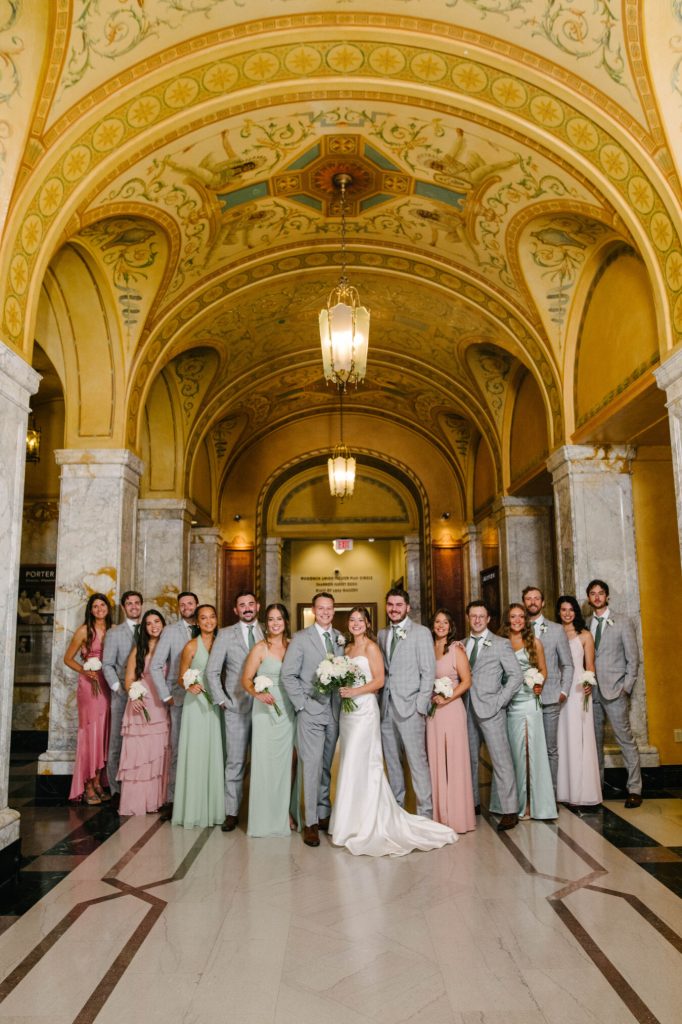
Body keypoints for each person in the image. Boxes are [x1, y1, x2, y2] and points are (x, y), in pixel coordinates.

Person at [330, 606, 456, 856]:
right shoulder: (347, 648)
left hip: (367, 710)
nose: (356, 623)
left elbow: (379, 680)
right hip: (352, 714)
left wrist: (354, 692)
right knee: (351, 762)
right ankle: (351, 819)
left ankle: (415, 814)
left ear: (367, 623)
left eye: (360, 620)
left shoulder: (372, 647)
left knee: (374, 762)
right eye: (352, 619)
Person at [281, 592, 343, 847]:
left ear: (333, 610)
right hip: (311, 711)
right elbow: (288, 675)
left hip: (335, 711)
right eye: (321, 608)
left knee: (326, 765)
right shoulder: (301, 638)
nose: (325, 612)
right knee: (312, 766)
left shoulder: (340, 638)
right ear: (314, 611)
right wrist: (302, 705)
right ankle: (310, 823)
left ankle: (324, 813)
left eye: (329, 608)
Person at [205, 591, 263, 831]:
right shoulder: (226, 634)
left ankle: (261, 812)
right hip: (236, 707)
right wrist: (222, 700)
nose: (247, 608)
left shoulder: (269, 630)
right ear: (235, 610)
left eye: (251, 604)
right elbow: (212, 671)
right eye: (242, 605)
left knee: (263, 762)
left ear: (258, 606)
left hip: (265, 709)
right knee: (235, 761)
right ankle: (232, 812)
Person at [492, 604, 556, 821]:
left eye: (521, 616)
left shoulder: (534, 642)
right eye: (513, 617)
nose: (518, 620)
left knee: (531, 752)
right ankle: (510, 803)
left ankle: (532, 803)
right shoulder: (500, 642)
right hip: (508, 703)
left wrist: (539, 684)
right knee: (512, 754)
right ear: (507, 619)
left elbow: (543, 670)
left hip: (529, 701)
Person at [241, 603, 299, 837]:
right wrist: (258, 694)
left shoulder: (293, 646)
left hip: (288, 710)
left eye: (279, 619)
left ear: (286, 622)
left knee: (287, 764)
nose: (275, 623)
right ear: (267, 623)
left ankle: (284, 813)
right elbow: (246, 679)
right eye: (271, 619)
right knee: (265, 764)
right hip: (265, 711)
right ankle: (263, 817)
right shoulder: (260, 648)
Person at [465, 599, 524, 831]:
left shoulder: (501, 644)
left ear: (488, 619)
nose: (477, 620)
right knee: (469, 759)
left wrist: (500, 701)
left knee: (501, 760)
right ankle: (473, 803)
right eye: (473, 616)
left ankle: (510, 810)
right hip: (466, 709)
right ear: (468, 618)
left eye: (481, 616)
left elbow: (516, 675)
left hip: (492, 710)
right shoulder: (460, 644)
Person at [377, 588, 435, 818]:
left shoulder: (421, 633)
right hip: (386, 708)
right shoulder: (382, 634)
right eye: (390, 604)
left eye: (399, 605)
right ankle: (397, 813)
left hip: (411, 708)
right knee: (392, 763)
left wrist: (420, 706)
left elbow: (428, 672)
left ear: (408, 607)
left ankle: (425, 814)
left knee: (417, 763)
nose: (394, 609)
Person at [586, 579, 642, 808]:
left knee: (625, 739)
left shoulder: (623, 621)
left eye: (601, 593)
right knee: (594, 742)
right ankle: (596, 788)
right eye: (593, 593)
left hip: (616, 690)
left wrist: (626, 687)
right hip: (591, 692)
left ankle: (635, 789)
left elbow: (633, 659)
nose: (597, 597)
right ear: (589, 598)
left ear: (607, 596)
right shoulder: (586, 623)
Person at [172, 604, 225, 829]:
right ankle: (193, 810)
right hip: (196, 706)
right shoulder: (191, 646)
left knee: (214, 753)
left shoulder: (222, 643)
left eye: (212, 617)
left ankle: (213, 809)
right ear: (197, 622)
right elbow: (180, 677)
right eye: (203, 618)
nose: (208, 621)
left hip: (216, 705)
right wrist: (189, 685)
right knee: (195, 754)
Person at [149, 591, 199, 821]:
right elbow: (155, 665)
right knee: (178, 748)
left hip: (204, 699)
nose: (186, 607)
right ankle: (173, 799)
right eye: (182, 604)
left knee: (201, 749)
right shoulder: (170, 631)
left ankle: (198, 798)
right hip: (179, 698)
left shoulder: (206, 626)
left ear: (196, 605)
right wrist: (166, 695)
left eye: (190, 603)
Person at [426, 608, 476, 834]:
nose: (440, 626)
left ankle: (458, 817)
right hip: (433, 712)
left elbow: (466, 682)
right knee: (435, 760)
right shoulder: (427, 647)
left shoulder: (456, 649)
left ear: (451, 626)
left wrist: (447, 698)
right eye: (437, 622)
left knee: (455, 762)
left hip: (452, 709)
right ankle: (440, 816)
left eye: (445, 622)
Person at [117, 609, 171, 816]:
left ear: (163, 624)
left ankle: (157, 800)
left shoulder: (169, 647)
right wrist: (135, 696)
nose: (154, 626)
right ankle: (136, 802)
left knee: (158, 753)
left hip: (161, 705)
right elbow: (129, 679)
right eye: (149, 623)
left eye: (157, 621)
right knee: (140, 755)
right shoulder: (137, 651)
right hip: (142, 705)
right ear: (144, 628)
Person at [522, 586, 573, 794]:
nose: (533, 602)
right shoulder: (517, 629)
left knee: (550, 749)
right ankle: (531, 794)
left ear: (543, 603)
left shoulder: (556, 630)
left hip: (550, 697)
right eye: (528, 598)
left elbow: (567, 664)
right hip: (523, 699)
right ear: (524, 603)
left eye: (536, 598)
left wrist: (564, 691)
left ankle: (550, 796)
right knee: (526, 749)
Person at [65, 593, 113, 805]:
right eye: (95, 606)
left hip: (107, 684)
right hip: (90, 686)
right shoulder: (85, 630)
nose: (99, 609)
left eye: (103, 605)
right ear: (90, 610)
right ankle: (88, 785)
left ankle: (99, 780)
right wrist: (84, 670)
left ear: (108, 608)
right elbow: (67, 659)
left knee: (103, 732)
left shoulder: (113, 630)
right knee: (91, 732)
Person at [555, 595, 601, 807]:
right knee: (561, 737)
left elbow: (590, 665)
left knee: (579, 736)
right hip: (559, 689)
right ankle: (563, 790)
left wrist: (588, 682)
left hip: (579, 689)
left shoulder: (585, 635)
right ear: (558, 612)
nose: (567, 613)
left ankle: (582, 791)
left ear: (576, 612)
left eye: (571, 609)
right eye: (563, 609)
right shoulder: (554, 632)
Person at [102, 590, 143, 808]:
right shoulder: (114, 633)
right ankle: (116, 790)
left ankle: (137, 786)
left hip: (145, 695)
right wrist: (119, 689)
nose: (134, 606)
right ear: (123, 607)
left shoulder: (148, 628)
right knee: (117, 742)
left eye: (137, 603)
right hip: (121, 695)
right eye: (129, 603)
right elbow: (107, 664)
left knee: (141, 741)